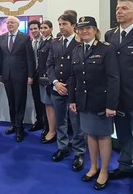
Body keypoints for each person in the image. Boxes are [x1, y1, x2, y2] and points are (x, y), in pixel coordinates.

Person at [69, 16, 120, 190]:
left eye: (88, 28)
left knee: (103, 136)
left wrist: (111, 105)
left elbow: (114, 78)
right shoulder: (76, 50)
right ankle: (93, 167)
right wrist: (72, 100)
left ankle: (104, 170)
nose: (84, 31)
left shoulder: (106, 49)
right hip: (83, 101)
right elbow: (72, 77)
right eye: (81, 29)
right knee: (90, 134)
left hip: (101, 102)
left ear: (95, 30)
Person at [105, 0, 133, 194]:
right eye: (117, 8)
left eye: (124, 8)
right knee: (124, 136)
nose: (119, 11)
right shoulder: (109, 35)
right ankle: (125, 167)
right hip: (117, 97)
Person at [47, 13, 86, 171]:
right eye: (60, 24)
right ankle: (62, 147)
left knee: (76, 124)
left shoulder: (80, 42)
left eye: (65, 24)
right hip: (57, 89)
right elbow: (49, 65)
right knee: (60, 120)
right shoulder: (55, 42)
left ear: (73, 25)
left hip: (74, 90)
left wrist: (67, 86)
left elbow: (81, 69)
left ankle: (79, 152)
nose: (62, 27)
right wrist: (55, 83)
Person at [0, 16, 35, 142]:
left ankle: (20, 128)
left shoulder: (25, 38)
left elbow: (30, 58)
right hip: (6, 76)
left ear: (17, 25)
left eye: (12, 23)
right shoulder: (2, 37)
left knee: (20, 102)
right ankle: (13, 124)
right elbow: (0, 58)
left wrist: (30, 75)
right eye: (7, 23)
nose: (9, 25)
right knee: (11, 102)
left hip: (21, 76)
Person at [38, 20, 56, 144]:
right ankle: (49, 128)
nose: (43, 30)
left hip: (49, 79)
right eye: (41, 28)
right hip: (42, 78)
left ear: (51, 28)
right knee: (47, 105)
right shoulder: (42, 42)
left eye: (45, 27)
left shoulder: (52, 42)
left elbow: (51, 63)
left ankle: (52, 131)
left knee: (50, 106)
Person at [28, 20, 47, 132]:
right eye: (31, 29)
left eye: (35, 28)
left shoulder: (45, 41)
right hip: (33, 76)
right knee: (36, 100)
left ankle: (47, 124)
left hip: (44, 75)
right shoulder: (29, 42)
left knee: (46, 101)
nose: (33, 31)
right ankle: (39, 121)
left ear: (39, 28)